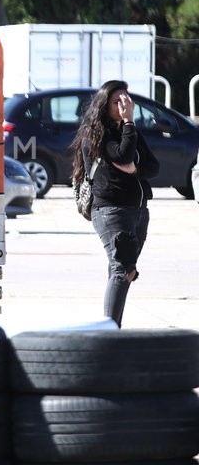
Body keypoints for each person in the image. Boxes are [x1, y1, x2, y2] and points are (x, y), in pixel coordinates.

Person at [71, 80, 159, 326]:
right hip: (112, 210)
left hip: (138, 210)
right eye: (117, 101)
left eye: (126, 100)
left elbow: (153, 167)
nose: (124, 105)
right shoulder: (97, 133)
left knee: (124, 272)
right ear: (104, 104)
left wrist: (134, 170)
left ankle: (112, 328)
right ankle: (108, 332)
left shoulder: (130, 132)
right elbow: (122, 154)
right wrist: (129, 122)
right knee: (123, 269)